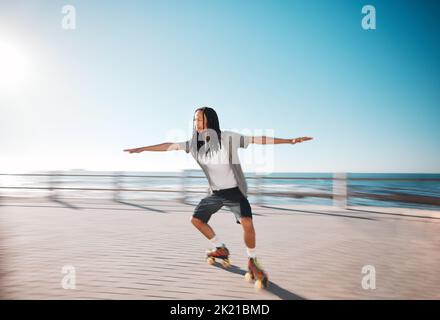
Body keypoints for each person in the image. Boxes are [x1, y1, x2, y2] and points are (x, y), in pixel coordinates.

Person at [124, 106, 313, 288]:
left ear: (210, 120)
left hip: (234, 191)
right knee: (196, 220)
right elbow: (169, 146)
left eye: (199, 118)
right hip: (215, 193)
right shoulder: (193, 144)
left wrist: (290, 141)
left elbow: (257, 139)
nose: (196, 122)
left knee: (247, 221)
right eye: (194, 119)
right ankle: (220, 248)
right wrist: (143, 148)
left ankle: (252, 260)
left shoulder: (228, 138)